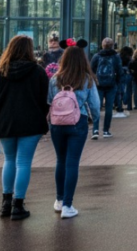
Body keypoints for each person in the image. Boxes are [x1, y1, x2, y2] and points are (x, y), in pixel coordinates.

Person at [0, 35, 50, 220]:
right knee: (24, 162)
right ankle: (18, 206)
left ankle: (5, 203)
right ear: (29, 50)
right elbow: (44, 101)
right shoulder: (38, 72)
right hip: (31, 123)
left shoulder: (0, 72)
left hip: (5, 123)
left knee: (9, 160)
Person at [47, 40, 100, 219]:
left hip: (57, 123)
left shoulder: (55, 78)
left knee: (60, 161)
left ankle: (59, 200)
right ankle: (68, 206)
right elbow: (95, 104)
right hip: (78, 122)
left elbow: (49, 101)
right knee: (72, 162)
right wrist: (95, 121)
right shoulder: (86, 78)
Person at [89, 38, 121, 139]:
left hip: (98, 86)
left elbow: (90, 70)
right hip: (111, 85)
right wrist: (118, 83)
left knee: (96, 107)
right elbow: (119, 71)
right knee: (109, 108)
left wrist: (94, 81)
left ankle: (95, 130)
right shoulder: (115, 57)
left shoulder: (97, 56)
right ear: (112, 46)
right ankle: (106, 130)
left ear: (102, 45)